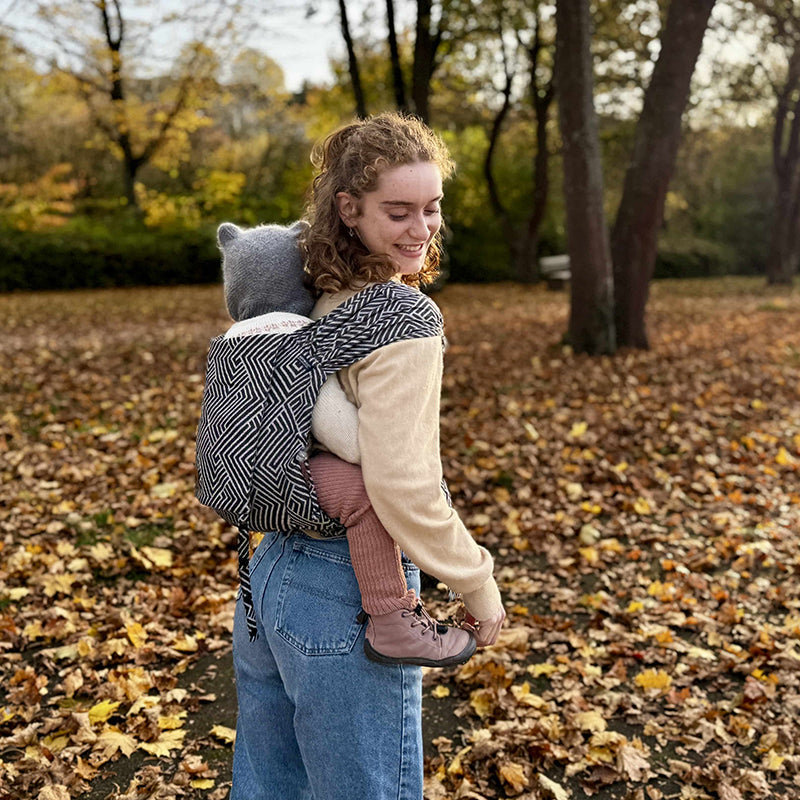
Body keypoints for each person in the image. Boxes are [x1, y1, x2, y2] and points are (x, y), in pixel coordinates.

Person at [229, 112, 505, 800]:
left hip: (267, 577)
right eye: (399, 211)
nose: (422, 228)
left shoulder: (309, 301)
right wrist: (478, 585)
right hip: (347, 592)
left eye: (432, 207)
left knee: (270, 789)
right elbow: (401, 485)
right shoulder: (404, 319)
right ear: (349, 210)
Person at [218, 219, 476, 668]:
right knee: (364, 497)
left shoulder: (232, 339)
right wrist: (374, 441)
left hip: (244, 493)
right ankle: (391, 618)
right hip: (289, 477)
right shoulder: (293, 338)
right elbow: (342, 434)